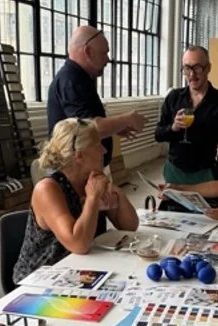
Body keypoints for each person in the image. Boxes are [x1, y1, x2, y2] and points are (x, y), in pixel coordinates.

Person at [13, 118, 138, 283]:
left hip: (82, 271)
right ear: (79, 155)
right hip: (43, 279)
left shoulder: (92, 180)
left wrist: (116, 192)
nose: (103, 151)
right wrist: (92, 200)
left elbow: (129, 226)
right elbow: (78, 244)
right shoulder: (48, 189)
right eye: (97, 145)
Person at [47, 25, 147, 166]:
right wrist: (127, 119)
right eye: (104, 53)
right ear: (87, 51)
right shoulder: (71, 80)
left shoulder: (78, 77)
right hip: (72, 170)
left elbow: (85, 124)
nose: (107, 60)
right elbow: (91, 128)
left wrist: (115, 128)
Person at [154, 46, 218, 185]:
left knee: (205, 207)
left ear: (208, 68)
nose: (191, 74)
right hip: (174, 171)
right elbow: (158, 135)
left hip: (205, 173)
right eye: (186, 68)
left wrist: (216, 173)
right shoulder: (173, 98)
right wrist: (173, 127)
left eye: (197, 68)